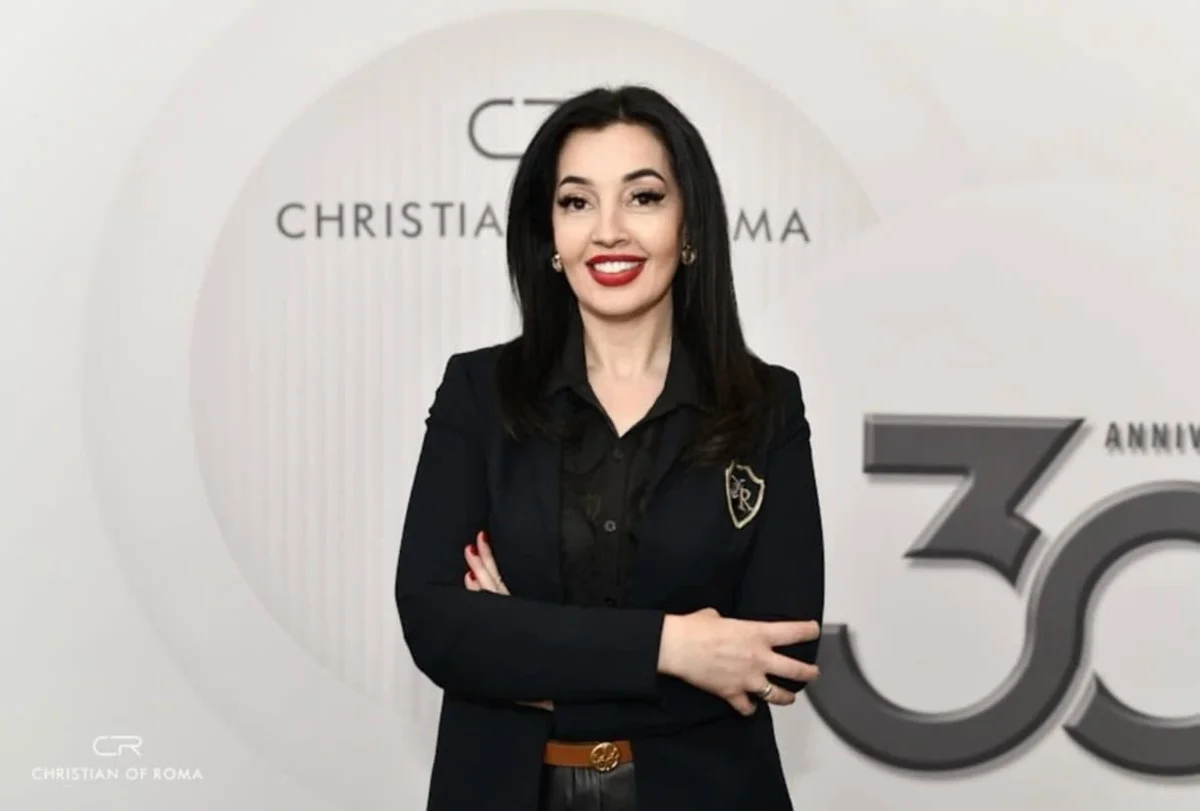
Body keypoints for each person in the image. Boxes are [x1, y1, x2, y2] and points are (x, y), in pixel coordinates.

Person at [395, 84, 825, 811]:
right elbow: (438, 625)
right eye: (577, 202)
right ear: (549, 237)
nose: (608, 231)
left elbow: (778, 657)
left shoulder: (766, 405)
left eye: (643, 197)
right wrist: (675, 648)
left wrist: (521, 647)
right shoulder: (479, 392)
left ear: (689, 226)